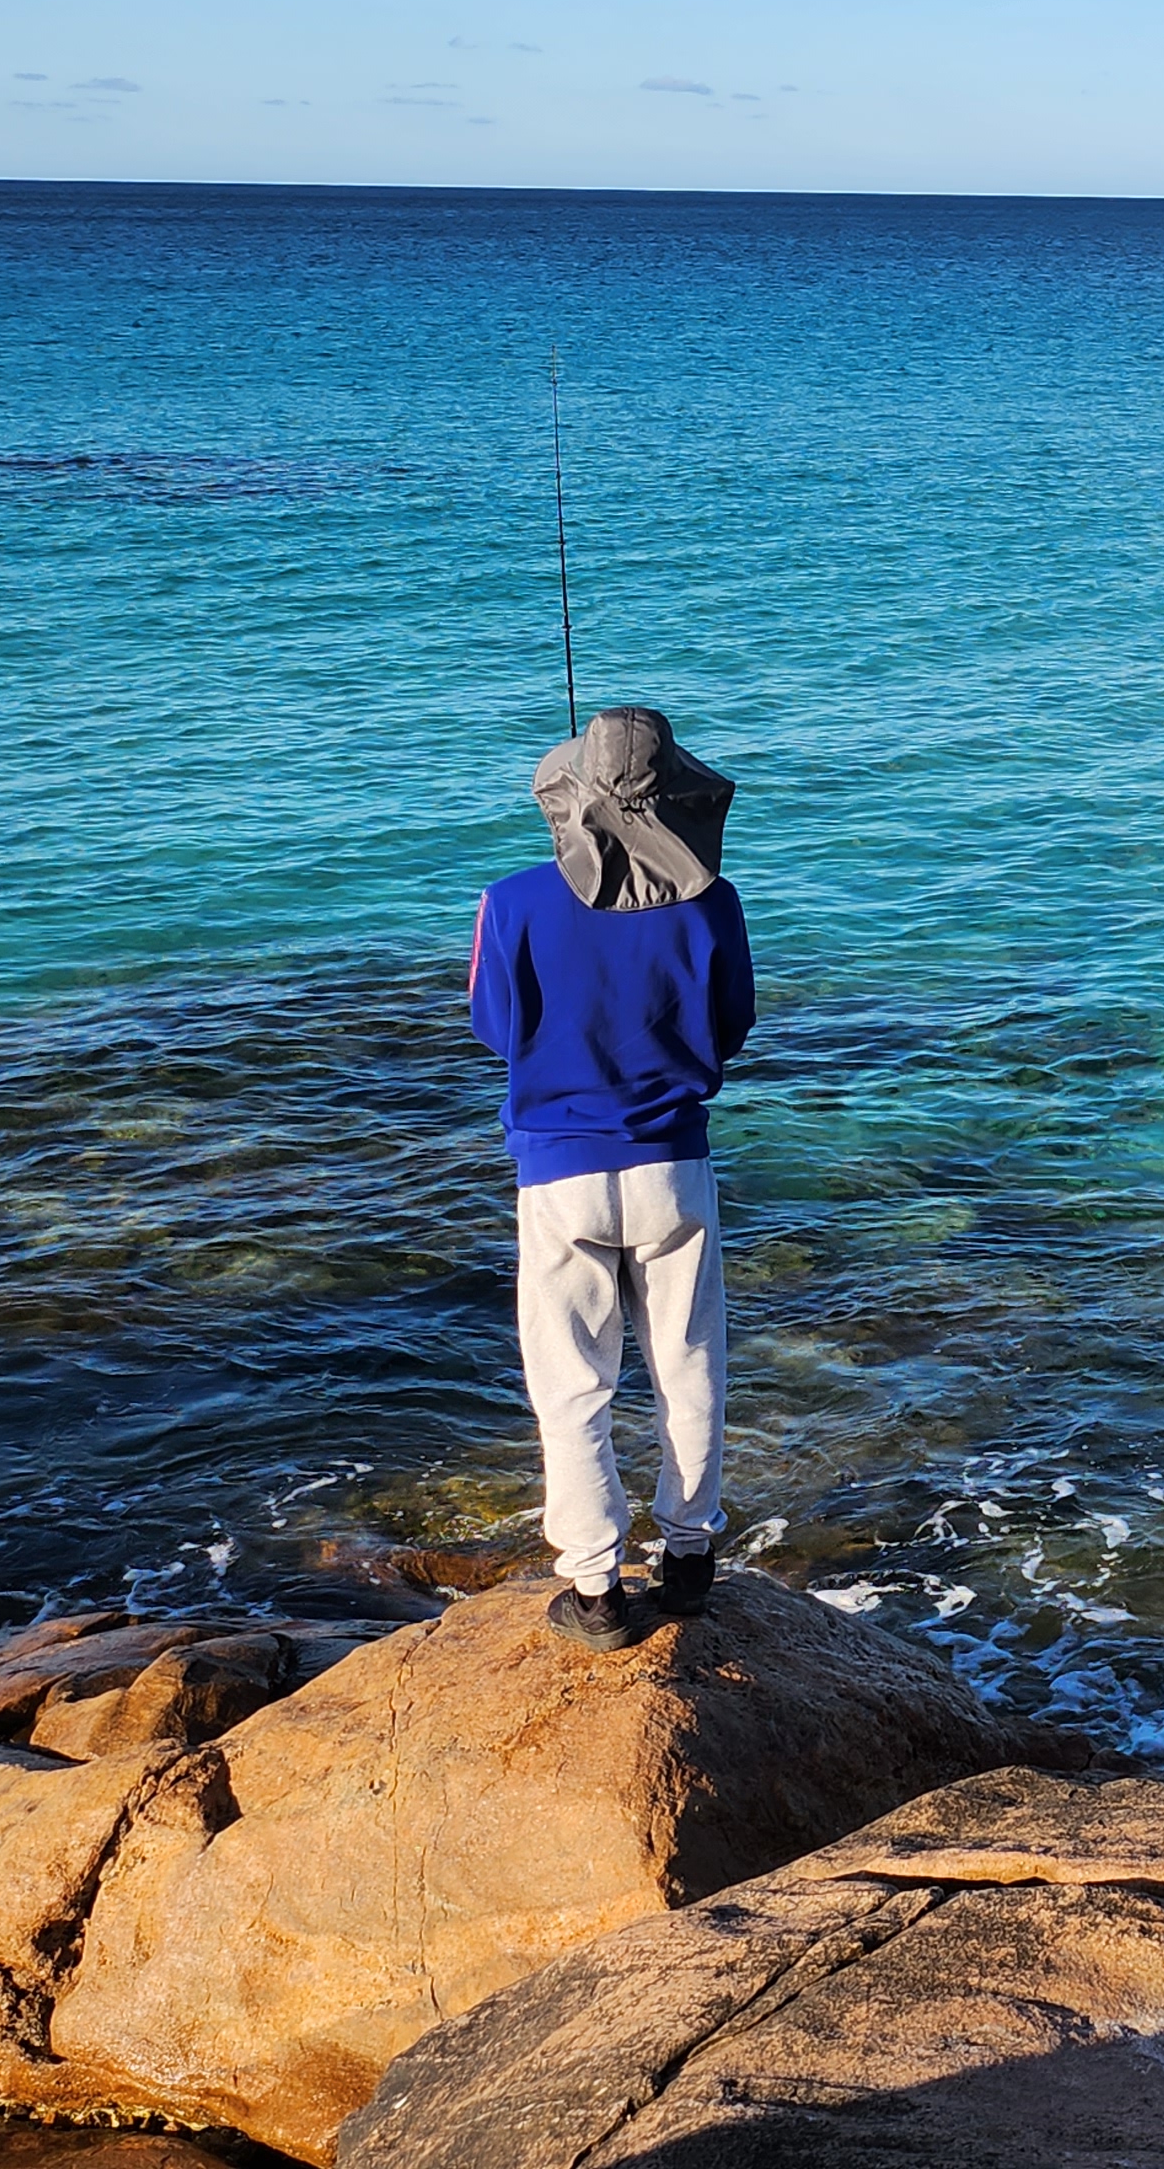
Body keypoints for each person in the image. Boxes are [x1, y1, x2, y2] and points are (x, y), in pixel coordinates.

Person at [467, 705, 755, 1650]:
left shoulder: (510, 902)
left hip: (560, 1174)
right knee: (690, 1365)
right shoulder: (714, 904)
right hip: (673, 1164)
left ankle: (595, 1589)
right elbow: (731, 1028)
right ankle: (689, 1558)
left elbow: (494, 1030)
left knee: (573, 1385)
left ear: (574, 799)